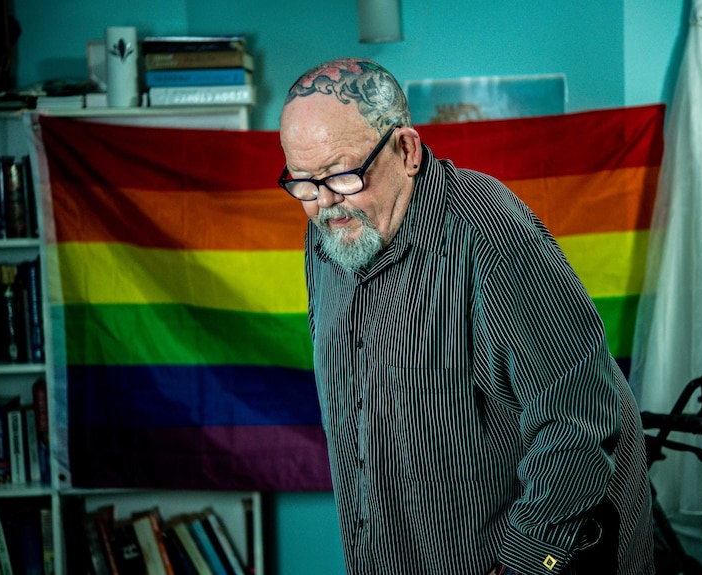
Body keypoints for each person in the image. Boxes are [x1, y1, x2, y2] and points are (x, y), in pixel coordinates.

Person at [278, 57, 655, 575]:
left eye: (341, 176)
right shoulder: (330, 231)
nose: (323, 204)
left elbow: (580, 415)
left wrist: (527, 561)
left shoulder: (491, 233)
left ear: (406, 150)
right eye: (302, 183)